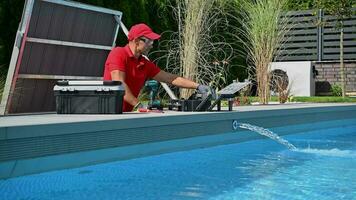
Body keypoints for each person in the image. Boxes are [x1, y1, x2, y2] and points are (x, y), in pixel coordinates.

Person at [103, 23, 211, 112]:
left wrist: (198, 86)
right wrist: (140, 106)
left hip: (127, 114)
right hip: (108, 114)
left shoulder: (144, 63)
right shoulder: (118, 53)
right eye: (149, 40)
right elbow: (119, 85)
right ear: (136, 41)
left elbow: (169, 78)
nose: (152, 44)